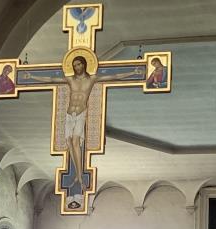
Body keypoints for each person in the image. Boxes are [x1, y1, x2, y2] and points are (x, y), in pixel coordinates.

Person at [21, 56, 141, 208]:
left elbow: (114, 76)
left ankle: (79, 175)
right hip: (69, 114)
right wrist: (31, 76)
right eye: (74, 65)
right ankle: (78, 175)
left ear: (84, 65)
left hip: (81, 114)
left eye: (78, 64)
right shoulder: (70, 79)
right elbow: (50, 79)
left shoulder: (92, 79)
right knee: (69, 142)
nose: (76, 67)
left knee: (76, 141)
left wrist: (133, 72)